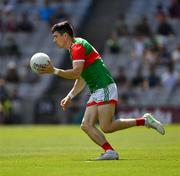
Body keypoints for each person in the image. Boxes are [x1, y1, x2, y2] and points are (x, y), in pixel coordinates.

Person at [38, 21, 165, 160]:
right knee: (86, 125)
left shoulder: (77, 47)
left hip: (104, 86)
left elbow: (75, 73)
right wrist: (70, 96)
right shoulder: (75, 47)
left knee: (107, 126)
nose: (54, 40)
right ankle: (110, 151)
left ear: (65, 36)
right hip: (97, 89)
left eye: (56, 36)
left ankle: (145, 121)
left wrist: (54, 71)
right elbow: (81, 78)